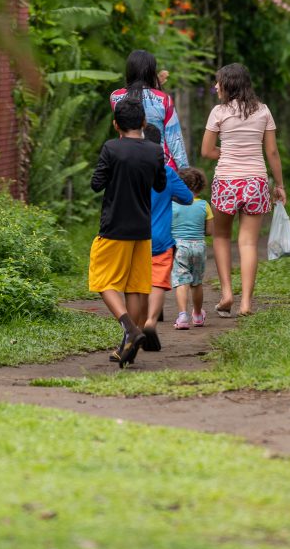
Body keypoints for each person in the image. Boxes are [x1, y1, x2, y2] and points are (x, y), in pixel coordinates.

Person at [201, 63, 286, 317]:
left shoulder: (219, 112)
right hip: (256, 182)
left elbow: (206, 151)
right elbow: (271, 152)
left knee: (221, 237)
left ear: (229, 84)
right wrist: (279, 185)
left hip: (226, 181)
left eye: (219, 82)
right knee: (248, 242)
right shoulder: (263, 111)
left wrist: (226, 154)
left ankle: (227, 294)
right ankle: (246, 303)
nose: (216, 86)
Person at [88, 96, 166, 368]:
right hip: (142, 230)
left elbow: (96, 184)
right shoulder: (155, 151)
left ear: (115, 125)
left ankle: (131, 329)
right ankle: (127, 345)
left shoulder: (111, 148)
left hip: (114, 228)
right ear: (143, 122)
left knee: (102, 280)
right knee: (135, 287)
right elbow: (159, 185)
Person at [141, 123, 194, 350]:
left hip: (133, 236)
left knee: (136, 284)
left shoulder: (131, 170)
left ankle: (138, 322)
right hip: (161, 239)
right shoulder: (167, 173)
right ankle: (151, 321)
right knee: (157, 283)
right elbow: (188, 198)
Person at [110, 49, 188, 169]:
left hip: (128, 163)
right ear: (152, 72)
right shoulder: (164, 99)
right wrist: (185, 170)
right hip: (162, 166)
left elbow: (138, 94)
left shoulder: (115, 97)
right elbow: (174, 138)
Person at [171, 166, 213, 330]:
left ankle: (182, 316)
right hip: (199, 246)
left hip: (179, 246)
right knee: (196, 282)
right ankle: (197, 314)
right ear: (200, 185)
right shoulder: (204, 205)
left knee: (182, 281)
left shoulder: (172, 205)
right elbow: (210, 231)